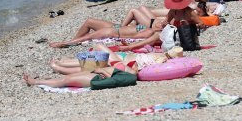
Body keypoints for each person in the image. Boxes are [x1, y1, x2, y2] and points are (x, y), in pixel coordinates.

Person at [50, 43, 183, 75]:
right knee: (96, 58)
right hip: (122, 58)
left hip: (122, 62)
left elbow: (153, 69)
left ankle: (61, 66)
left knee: (97, 54)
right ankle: (63, 63)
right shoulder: (159, 54)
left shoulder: (161, 59)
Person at [49, 17, 164, 48]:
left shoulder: (150, 33)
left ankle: (65, 43)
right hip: (116, 27)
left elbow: (136, 37)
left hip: (113, 32)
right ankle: (74, 41)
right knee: (89, 21)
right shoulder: (150, 29)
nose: (159, 23)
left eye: (162, 25)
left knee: (87, 37)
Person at [23, 66, 137, 90]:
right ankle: (40, 80)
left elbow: (112, 82)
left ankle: (34, 81)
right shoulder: (129, 76)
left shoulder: (130, 77)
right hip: (97, 77)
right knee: (67, 78)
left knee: (65, 81)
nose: (136, 66)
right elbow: (114, 79)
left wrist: (102, 71)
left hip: (95, 80)